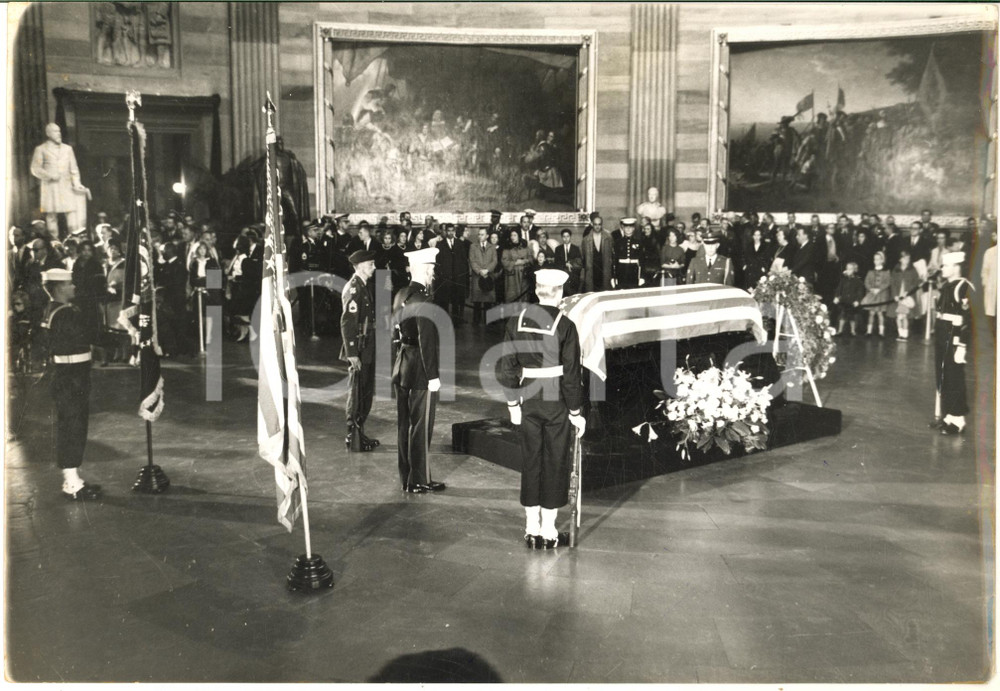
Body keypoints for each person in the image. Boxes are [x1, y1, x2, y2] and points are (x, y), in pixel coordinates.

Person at [498, 269, 585, 549]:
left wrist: (513, 404)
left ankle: (531, 528)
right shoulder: (566, 325)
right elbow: (571, 375)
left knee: (531, 461)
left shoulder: (516, 321)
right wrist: (576, 412)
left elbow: (507, 367)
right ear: (559, 293)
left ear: (536, 291)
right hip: (556, 399)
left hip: (528, 398)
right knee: (555, 462)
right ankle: (548, 531)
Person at [38, 268, 101, 500]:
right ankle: (71, 484)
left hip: (65, 376)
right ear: (59, 288)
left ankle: (73, 479)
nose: (73, 287)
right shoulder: (66, 314)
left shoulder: (51, 310)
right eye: (69, 284)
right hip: (72, 378)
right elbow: (90, 336)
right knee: (74, 428)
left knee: (71, 427)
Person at [391, 247, 446, 494]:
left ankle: (407, 477)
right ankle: (419, 480)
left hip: (403, 364)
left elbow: (395, 331)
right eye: (432, 269)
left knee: (405, 425)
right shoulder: (424, 300)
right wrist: (433, 376)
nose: (433, 274)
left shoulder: (401, 294)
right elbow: (427, 342)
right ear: (425, 269)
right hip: (420, 370)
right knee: (421, 427)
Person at [341, 250, 379, 452]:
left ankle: (359, 433)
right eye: (371, 264)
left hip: (367, 346)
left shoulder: (363, 286)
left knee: (365, 391)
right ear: (360, 266)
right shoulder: (354, 288)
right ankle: (352, 435)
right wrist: (352, 353)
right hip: (359, 347)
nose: (374, 267)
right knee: (357, 392)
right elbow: (348, 322)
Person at [933, 252, 973, 435]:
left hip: (954, 337)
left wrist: (962, 345)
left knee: (954, 377)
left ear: (956, 267)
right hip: (943, 334)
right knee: (943, 375)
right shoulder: (947, 286)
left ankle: (959, 419)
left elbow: (968, 319)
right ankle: (948, 415)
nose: (942, 269)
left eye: (945, 266)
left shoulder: (963, 287)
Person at [30, 123, 88, 241]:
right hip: (50, 187)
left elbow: (74, 169)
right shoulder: (41, 149)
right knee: (51, 216)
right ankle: (55, 243)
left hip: (66, 187)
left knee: (71, 214)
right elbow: (35, 168)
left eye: (59, 131)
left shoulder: (68, 149)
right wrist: (49, 175)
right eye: (55, 131)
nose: (59, 134)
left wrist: (77, 183)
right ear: (48, 133)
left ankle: (74, 241)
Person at [889, 251, 922, 341]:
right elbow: (893, 283)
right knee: (898, 316)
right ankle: (900, 334)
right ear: (900, 259)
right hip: (898, 297)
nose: (907, 260)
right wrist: (895, 295)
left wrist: (909, 291)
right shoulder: (896, 270)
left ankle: (904, 334)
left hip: (907, 297)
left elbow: (916, 282)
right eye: (904, 258)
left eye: (908, 258)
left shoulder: (912, 270)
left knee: (905, 316)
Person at [469, 227, 497, 325]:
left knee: (488, 301)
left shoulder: (492, 247)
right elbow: (472, 260)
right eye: (479, 234)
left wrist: (487, 270)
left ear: (487, 236)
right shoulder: (473, 246)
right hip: (477, 277)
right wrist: (479, 271)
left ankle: (488, 322)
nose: (480, 236)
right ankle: (476, 322)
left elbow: (494, 261)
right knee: (477, 301)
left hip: (488, 277)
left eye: (482, 234)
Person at [580, 213, 614, 292]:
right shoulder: (586, 240)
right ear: (592, 224)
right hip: (591, 271)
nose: (597, 226)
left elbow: (612, 255)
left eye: (599, 224)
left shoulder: (608, 238)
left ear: (602, 225)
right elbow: (583, 257)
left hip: (604, 270)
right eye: (595, 224)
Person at [861, 250, 891, 337]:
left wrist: (880, 289)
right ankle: (869, 331)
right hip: (872, 294)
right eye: (875, 259)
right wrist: (871, 289)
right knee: (871, 313)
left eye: (878, 259)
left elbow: (888, 282)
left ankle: (881, 332)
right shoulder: (870, 271)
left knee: (880, 313)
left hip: (881, 295)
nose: (876, 261)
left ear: (882, 260)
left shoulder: (886, 272)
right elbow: (866, 282)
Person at [833, 261, 865, 336]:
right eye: (847, 268)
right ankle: (840, 330)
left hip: (852, 302)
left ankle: (852, 331)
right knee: (842, 315)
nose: (848, 270)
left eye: (850, 269)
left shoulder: (858, 281)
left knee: (852, 316)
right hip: (844, 301)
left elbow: (860, 292)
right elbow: (839, 289)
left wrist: (857, 300)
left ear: (854, 270)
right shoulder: (843, 280)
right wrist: (836, 297)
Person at [612, 218, 644, 289]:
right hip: (621, 271)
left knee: (633, 291)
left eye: (630, 227)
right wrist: (614, 277)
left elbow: (642, 260)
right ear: (623, 228)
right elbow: (614, 261)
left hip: (634, 271)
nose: (628, 229)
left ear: (633, 228)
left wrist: (642, 276)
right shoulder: (618, 242)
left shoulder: (638, 242)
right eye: (626, 227)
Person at [501, 228, 531, 303]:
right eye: (511, 235)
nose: (512, 237)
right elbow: (504, 261)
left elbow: (531, 258)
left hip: (524, 275)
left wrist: (524, 261)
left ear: (519, 236)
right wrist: (515, 263)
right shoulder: (507, 248)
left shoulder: (525, 246)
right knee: (512, 296)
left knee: (524, 296)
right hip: (512, 276)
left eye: (515, 235)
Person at [553, 229, 582, 296]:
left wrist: (572, 265)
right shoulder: (558, 249)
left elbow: (579, 263)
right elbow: (556, 263)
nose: (566, 238)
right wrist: (565, 264)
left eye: (567, 236)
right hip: (562, 276)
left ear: (570, 237)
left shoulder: (576, 248)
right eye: (564, 236)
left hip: (573, 276)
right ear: (562, 237)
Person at [982, 227, 997, 337]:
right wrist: (986, 284)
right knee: (992, 312)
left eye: (995, 235)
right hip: (992, 286)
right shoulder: (990, 252)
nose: (993, 237)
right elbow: (985, 270)